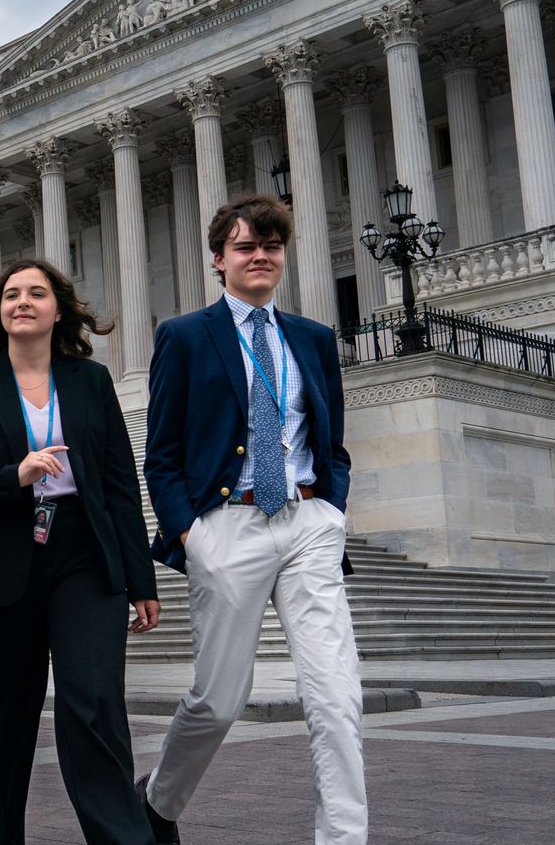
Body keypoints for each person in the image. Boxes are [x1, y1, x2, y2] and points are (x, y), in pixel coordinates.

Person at [138, 196, 363, 845]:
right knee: (218, 701)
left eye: (271, 246)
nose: (260, 256)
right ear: (219, 259)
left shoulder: (315, 340)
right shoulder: (183, 336)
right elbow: (162, 455)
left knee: (335, 696)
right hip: (226, 527)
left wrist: (330, 512)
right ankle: (157, 802)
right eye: (245, 246)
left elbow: (333, 445)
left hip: (306, 522)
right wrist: (191, 535)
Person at [0, 259, 160, 844]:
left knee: (94, 705)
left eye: (36, 293)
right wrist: (13, 475)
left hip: (83, 552)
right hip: (2, 557)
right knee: (5, 716)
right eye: (10, 295)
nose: (21, 302)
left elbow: (120, 485)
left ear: (59, 309)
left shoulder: (91, 381)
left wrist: (141, 580)